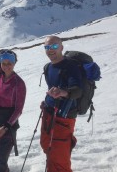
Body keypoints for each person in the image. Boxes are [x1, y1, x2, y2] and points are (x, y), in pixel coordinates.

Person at [40, 36, 83, 172]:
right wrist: (47, 101)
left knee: (60, 157)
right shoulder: (48, 67)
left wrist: (62, 92)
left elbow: (77, 91)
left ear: (61, 47)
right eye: (47, 47)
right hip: (49, 113)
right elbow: (51, 88)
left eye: (54, 46)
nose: (50, 50)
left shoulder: (70, 66)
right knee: (48, 147)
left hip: (64, 117)